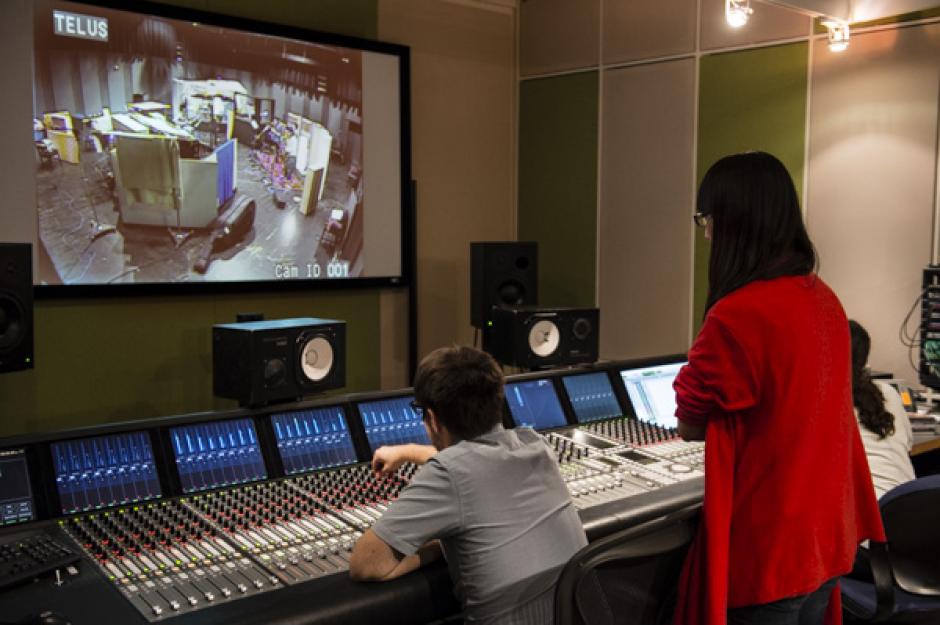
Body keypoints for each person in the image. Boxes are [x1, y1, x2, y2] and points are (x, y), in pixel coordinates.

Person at [671, 151, 885, 625]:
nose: (705, 233)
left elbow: (689, 421)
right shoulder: (823, 298)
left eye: (706, 219)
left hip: (770, 553)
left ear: (729, 223)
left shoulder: (736, 316)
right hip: (826, 542)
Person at [348, 345, 587, 624]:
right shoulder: (536, 444)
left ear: (432, 419)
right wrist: (409, 451)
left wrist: (439, 547)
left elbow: (367, 564)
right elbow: (480, 459)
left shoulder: (448, 474)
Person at [848, 319, 915, 500]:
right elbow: (908, 444)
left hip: (872, 514)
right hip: (912, 506)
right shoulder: (888, 393)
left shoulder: (830, 400)